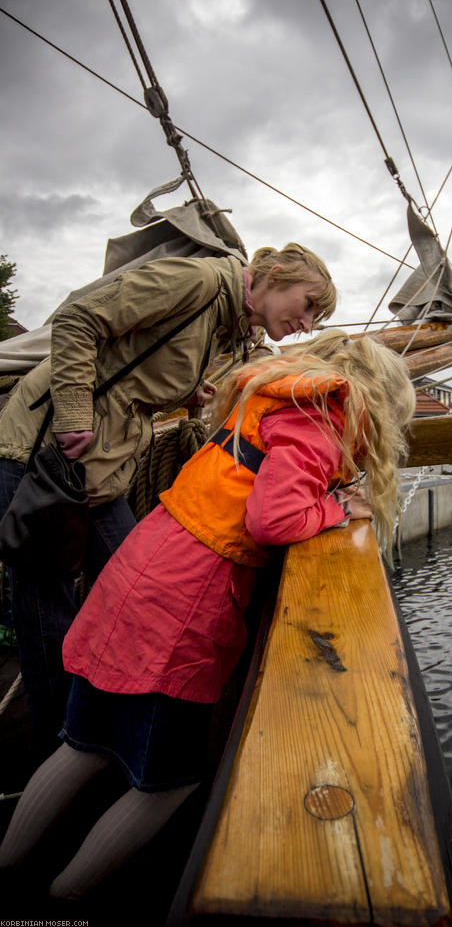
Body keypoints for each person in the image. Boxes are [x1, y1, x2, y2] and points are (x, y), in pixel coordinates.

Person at [0, 333, 416, 903]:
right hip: (183, 603)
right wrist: (338, 506)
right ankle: (61, 902)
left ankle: (6, 870)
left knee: (82, 745)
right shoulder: (321, 420)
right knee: (171, 782)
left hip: (144, 570)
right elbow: (275, 519)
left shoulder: (277, 401)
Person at [0, 243, 336, 756]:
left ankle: (104, 725)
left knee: (129, 588)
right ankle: (56, 746)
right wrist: (72, 415)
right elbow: (78, 319)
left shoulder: (228, 328)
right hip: (45, 456)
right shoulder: (196, 283)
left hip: (104, 469)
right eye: (309, 304)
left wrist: (186, 393)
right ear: (273, 277)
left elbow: (138, 364)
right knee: (47, 608)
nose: (307, 323)